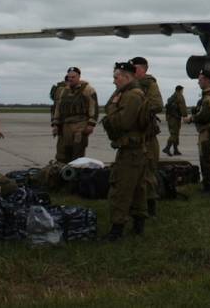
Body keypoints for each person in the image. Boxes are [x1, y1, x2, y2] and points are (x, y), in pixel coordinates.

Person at [101, 61, 150, 240]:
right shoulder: (133, 93)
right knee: (138, 190)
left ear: (126, 77)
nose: (114, 81)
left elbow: (122, 123)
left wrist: (113, 108)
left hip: (130, 151)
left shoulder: (131, 96)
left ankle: (116, 230)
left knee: (121, 190)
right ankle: (138, 227)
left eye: (116, 77)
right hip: (136, 150)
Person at [130, 56, 164, 216]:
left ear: (143, 69)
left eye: (134, 68)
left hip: (147, 136)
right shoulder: (130, 85)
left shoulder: (149, 84)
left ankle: (151, 208)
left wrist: (137, 110)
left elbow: (157, 105)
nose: (132, 71)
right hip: (134, 135)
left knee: (148, 173)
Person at [51, 66, 98, 164]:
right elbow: (58, 108)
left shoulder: (88, 90)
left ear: (79, 77)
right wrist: (55, 124)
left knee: (77, 154)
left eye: (73, 77)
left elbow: (93, 107)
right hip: (65, 126)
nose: (71, 79)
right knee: (62, 154)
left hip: (80, 126)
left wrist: (91, 124)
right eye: (69, 77)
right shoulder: (62, 90)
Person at [188, 71, 210, 193]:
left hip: (208, 131)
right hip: (207, 131)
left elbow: (205, 115)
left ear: (207, 80)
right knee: (207, 158)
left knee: (207, 159)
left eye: (200, 79)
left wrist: (191, 118)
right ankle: (208, 183)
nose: (198, 82)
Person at [164, 85, 189, 156]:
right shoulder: (179, 96)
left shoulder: (172, 97)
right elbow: (182, 106)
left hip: (170, 118)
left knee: (175, 133)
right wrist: (185, 116)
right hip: (175, 118)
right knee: (174, 134)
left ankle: (175, 150)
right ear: (180, 90)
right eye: (182, 90)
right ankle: (167, 148)